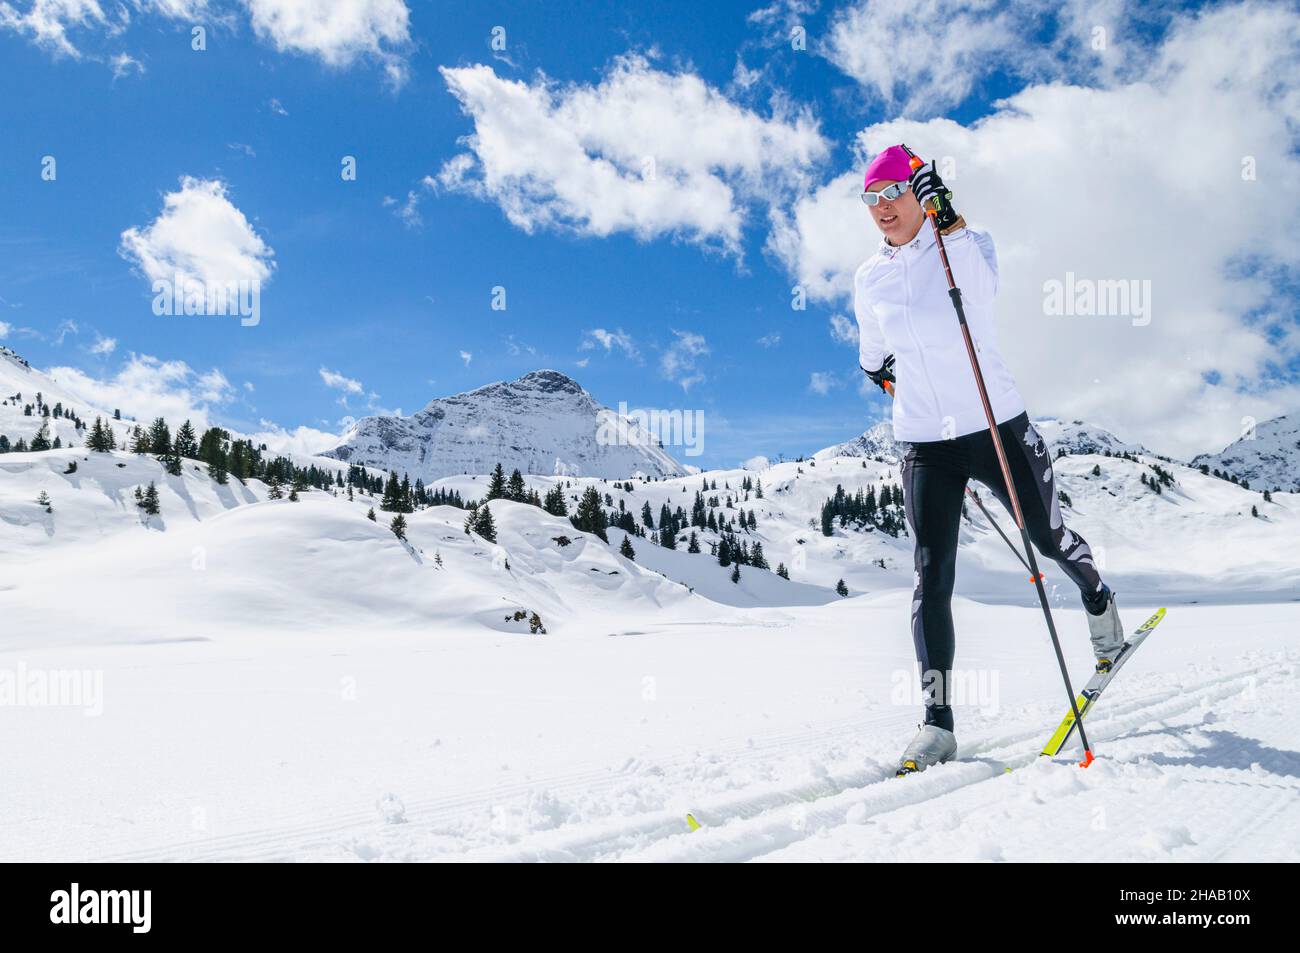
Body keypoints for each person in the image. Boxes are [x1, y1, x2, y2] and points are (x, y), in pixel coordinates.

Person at [852, 145, 1124, 775]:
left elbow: (979, 287)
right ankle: (937, 724)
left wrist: (950, 221)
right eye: (870, 199)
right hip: (924, 441)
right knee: (931, 576)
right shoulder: (871, 278)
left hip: (993, 423)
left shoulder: (965, 248)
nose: (881, 208)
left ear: (920, 195)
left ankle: (1097, 598)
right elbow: (873, 354)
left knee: (1045, 536)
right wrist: (887, 377)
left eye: (892, 193)